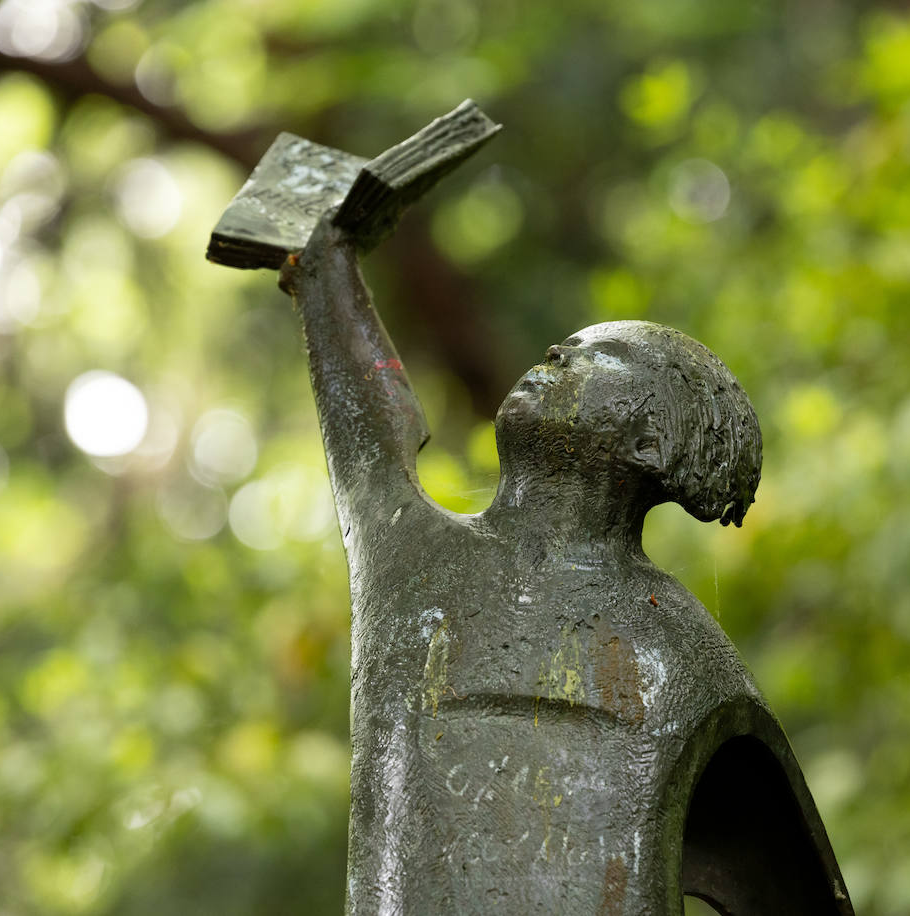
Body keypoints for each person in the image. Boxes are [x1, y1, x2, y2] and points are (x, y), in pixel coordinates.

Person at [280, 215, 853, 915]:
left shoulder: (677, 654)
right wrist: (323, 265)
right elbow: (368, 420)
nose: (557, 351)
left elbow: (793, 884)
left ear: (650, 441)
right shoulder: (415, 561)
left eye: (600, 355)